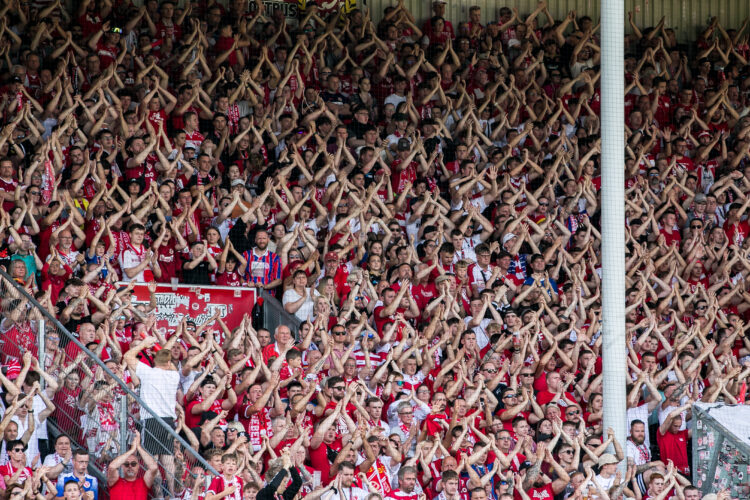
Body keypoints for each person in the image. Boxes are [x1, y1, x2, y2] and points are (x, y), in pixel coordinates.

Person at [107, 431, 159, 500]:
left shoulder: (143, 483)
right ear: (122, 466)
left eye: (133, 464)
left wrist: (139, 447)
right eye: (126, 464)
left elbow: (154, 468)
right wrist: (132, 450)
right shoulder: (116, 482)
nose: (130, 466)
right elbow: (112, 467)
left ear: (138, 466)